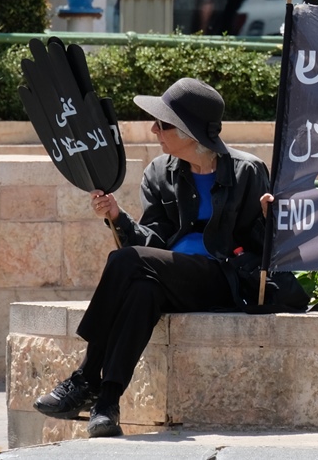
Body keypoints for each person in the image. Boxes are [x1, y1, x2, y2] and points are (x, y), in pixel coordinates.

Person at [32, 78, 271, 437]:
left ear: (189, 132)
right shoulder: (159, 173)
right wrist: (116, 217)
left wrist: (274, 219)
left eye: (163, 124)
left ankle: (84, 376)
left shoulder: (247, 171)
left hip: (224, 279)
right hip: (168, 278)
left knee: (127, 261)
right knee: (143, 289)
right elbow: (153, 241)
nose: (154, 129)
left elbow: (264, 249)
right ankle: (106, 404)